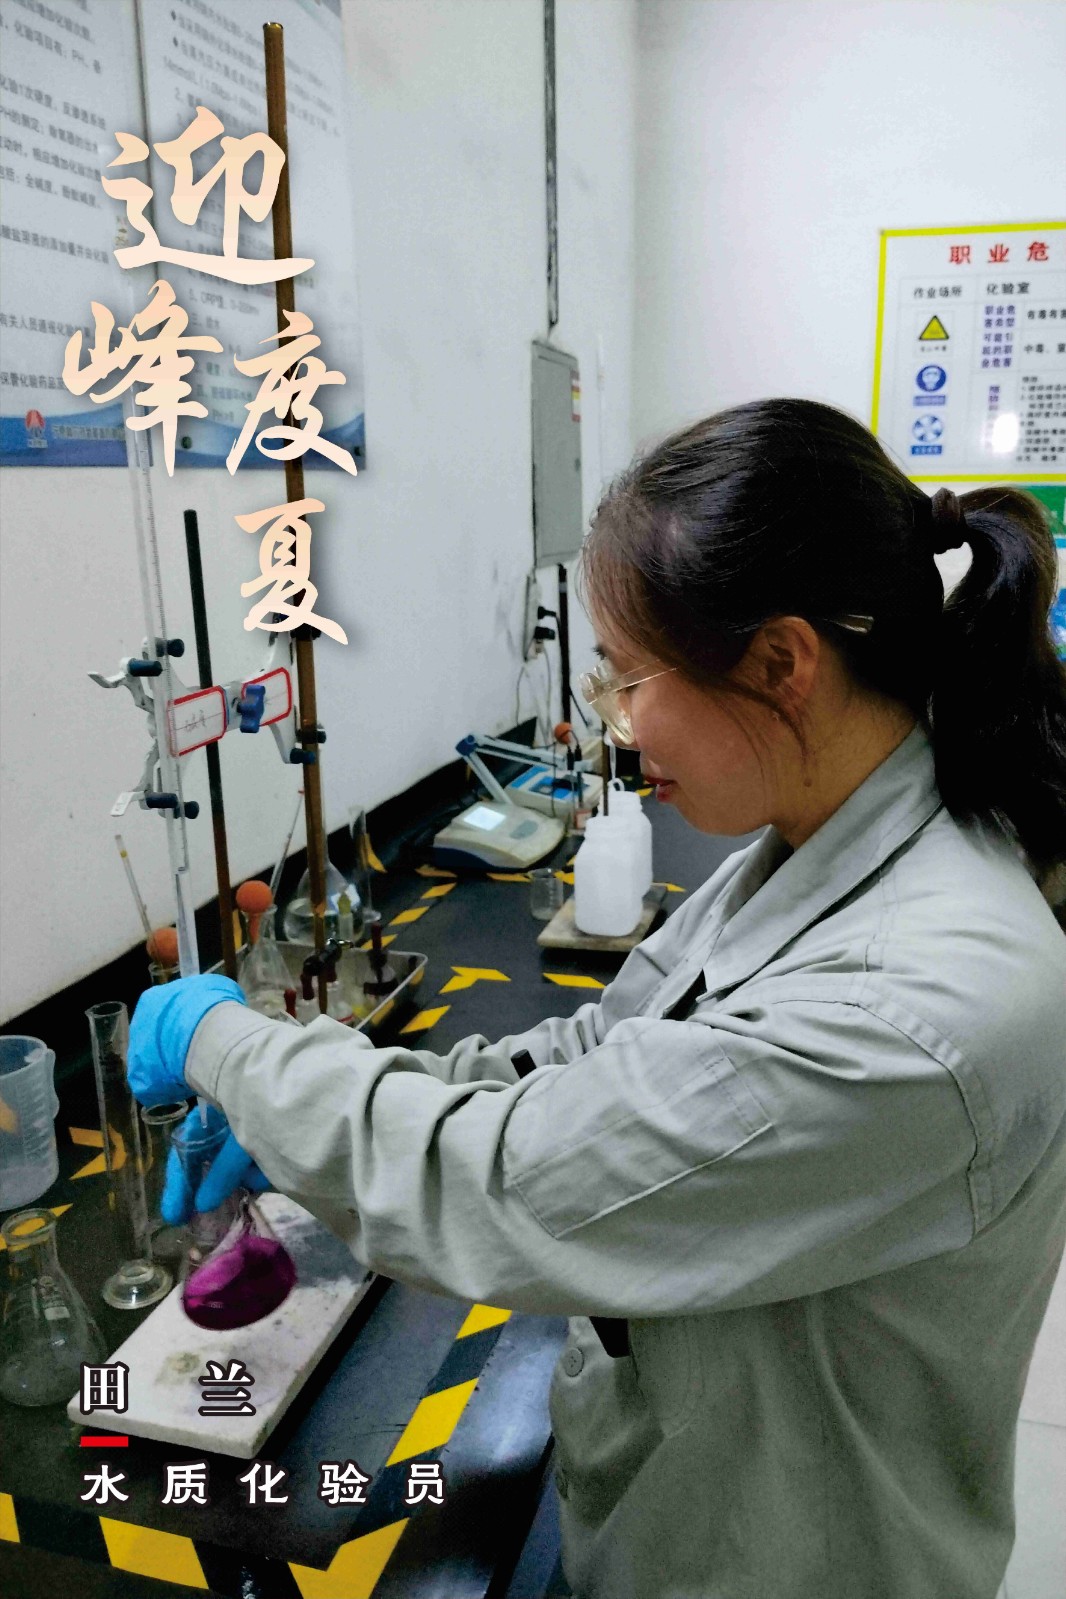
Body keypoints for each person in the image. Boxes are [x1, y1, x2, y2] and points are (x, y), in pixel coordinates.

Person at [129, 398, 1066, 1599]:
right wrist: (315, 1095)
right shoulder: (822, 843)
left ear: (780, 662)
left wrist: (226, 1045)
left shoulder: (915, 1008)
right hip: (690, 1484)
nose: (615, 725)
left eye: (627, 677)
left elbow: (506, 1182)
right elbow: (605, 1051)